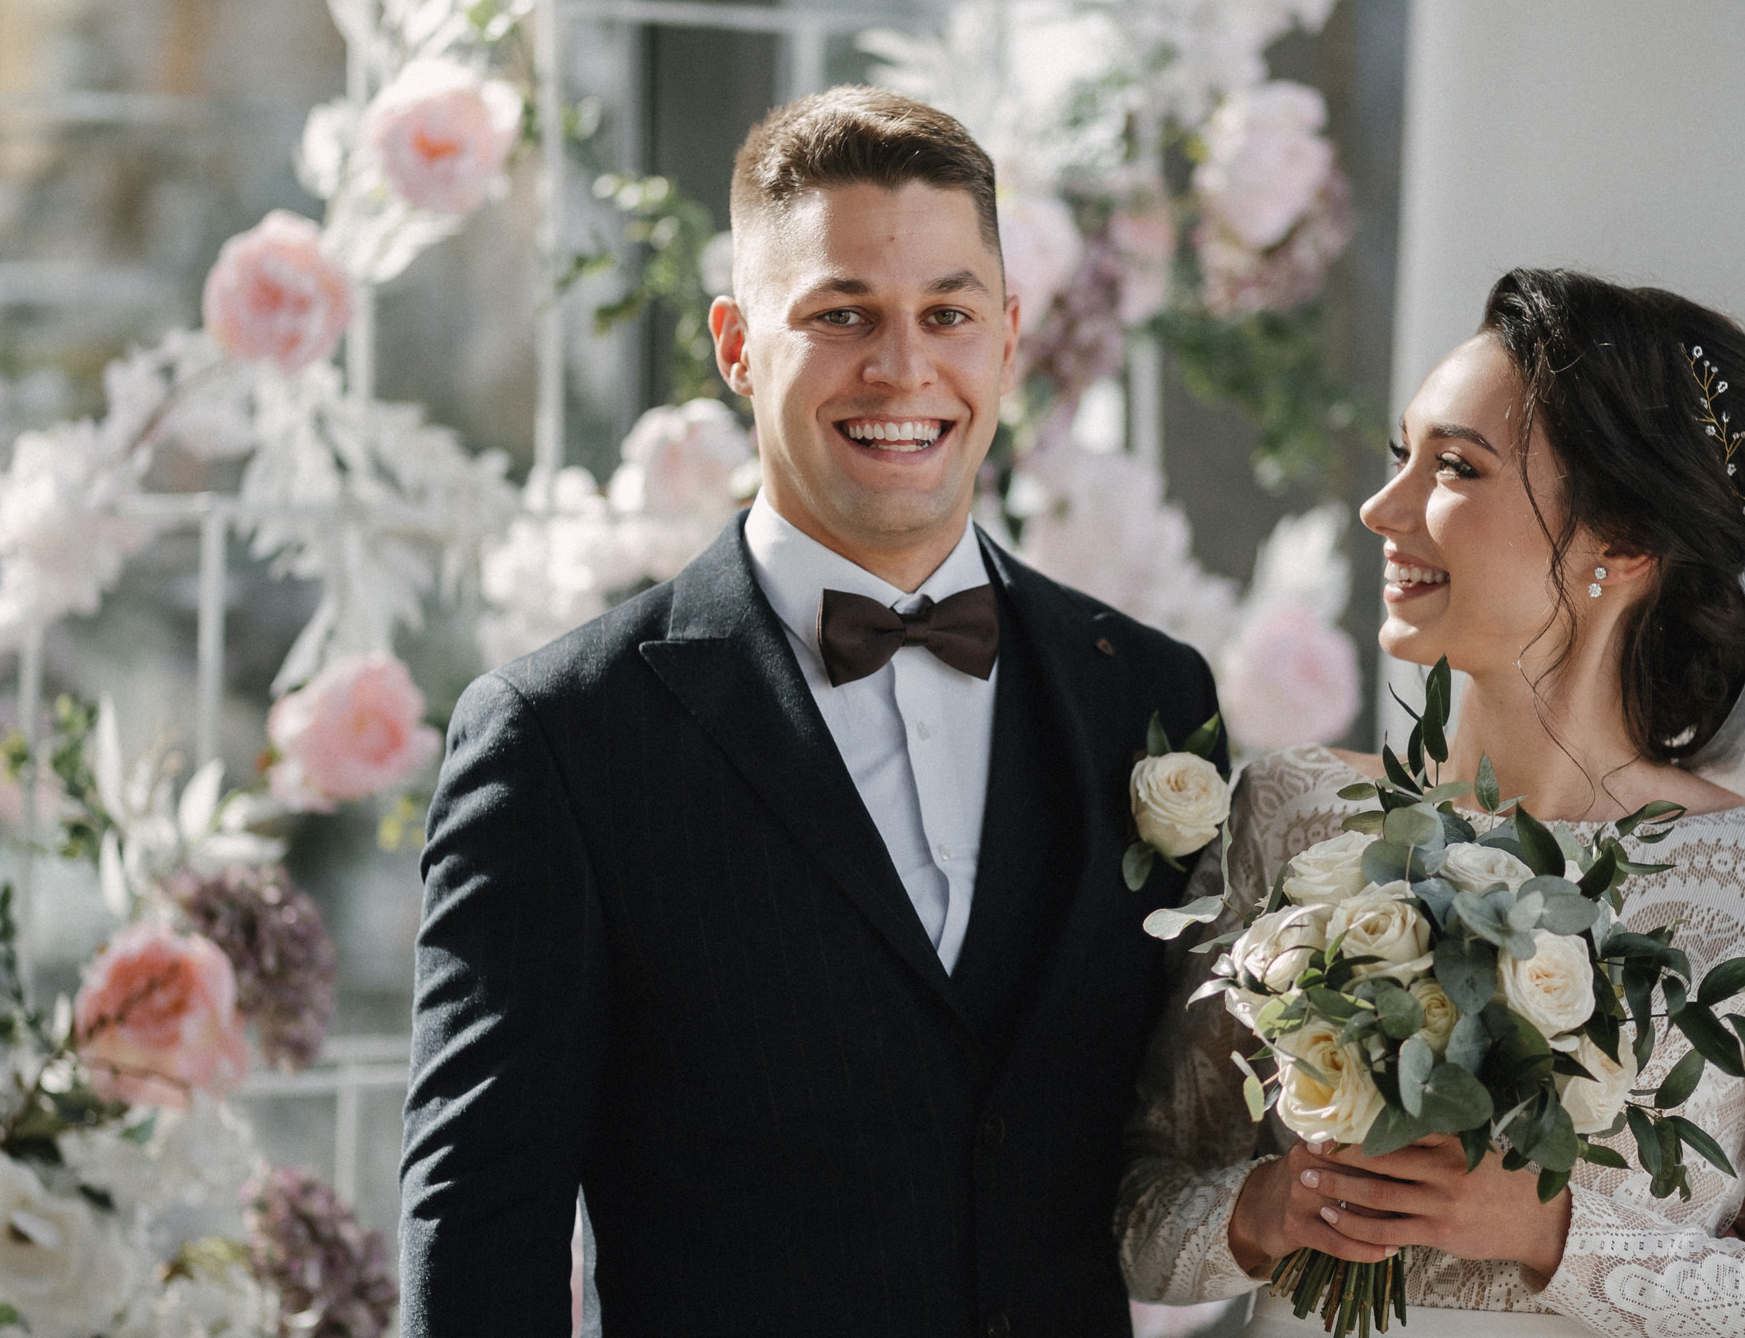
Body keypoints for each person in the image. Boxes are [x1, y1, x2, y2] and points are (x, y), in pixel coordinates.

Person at [399, 86, 1226, 1338]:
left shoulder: (1153, 695)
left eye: (946, 313)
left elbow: (1175, 1139)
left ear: (1007, 336)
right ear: (736, 344)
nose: (903, 367)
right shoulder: (561, 739)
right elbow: (478, 1234)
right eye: (843, 316)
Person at [1117, 269, 1745, 1336]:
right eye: (1403, 454)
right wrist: (1265, 1209)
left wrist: (1554, 1231)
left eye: (1455, 466)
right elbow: (1139, 1212)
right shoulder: (1298, 811)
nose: (1381, 507)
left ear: (1622, 544)